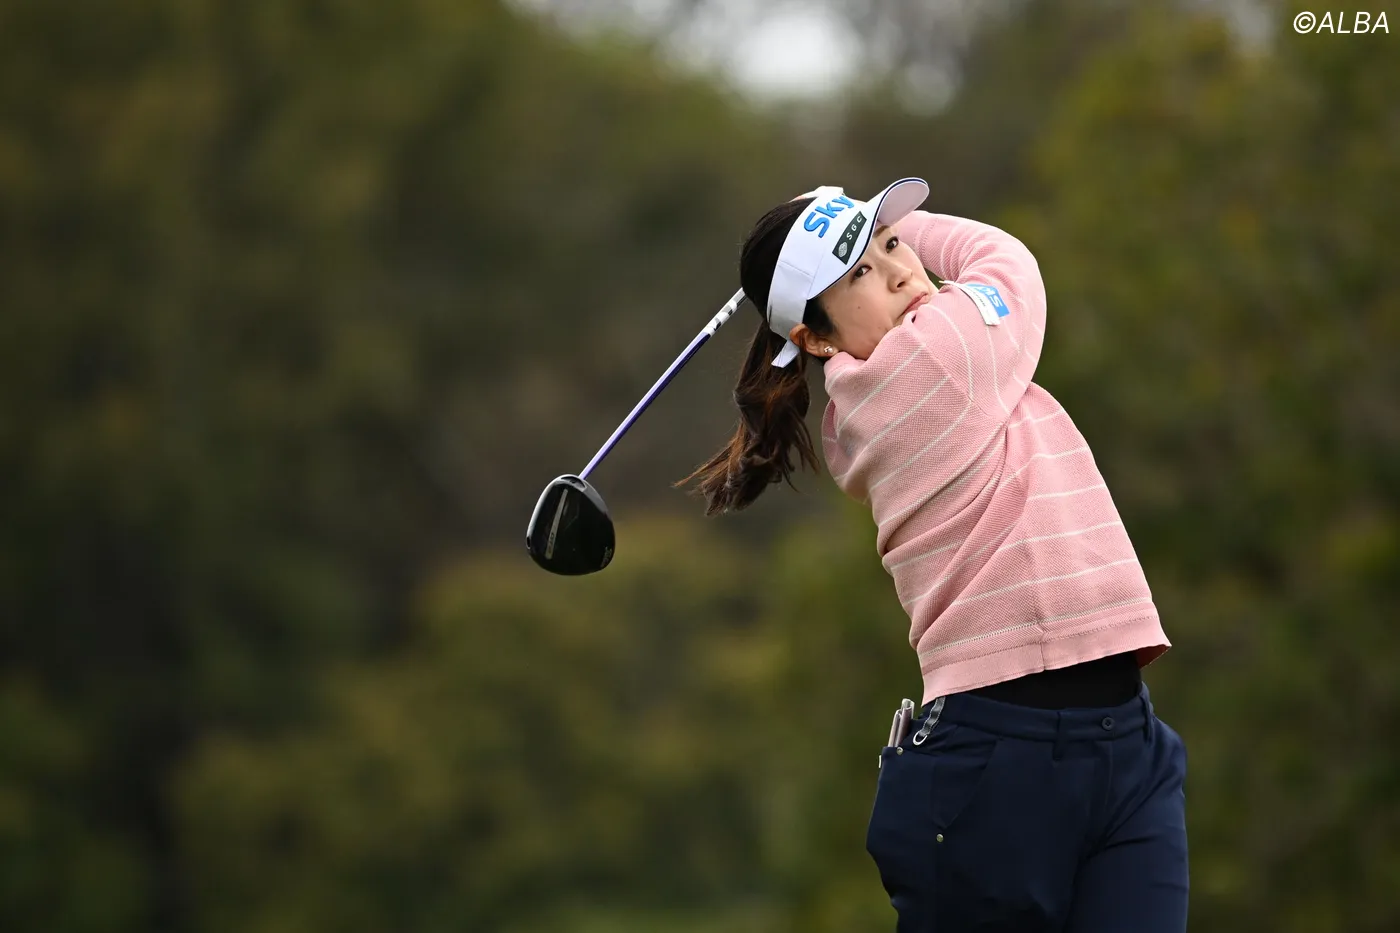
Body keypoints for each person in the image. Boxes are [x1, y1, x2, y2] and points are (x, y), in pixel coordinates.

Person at [677, 179, 1188, 932]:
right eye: (858, 273)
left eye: (892, 246)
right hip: (1000, 764)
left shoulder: (904, 380)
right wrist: (905, 220)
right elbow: (1006, 261)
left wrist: (855, 228)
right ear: (816, 340)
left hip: (1121, 741)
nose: (898, 272)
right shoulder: (933, 360)